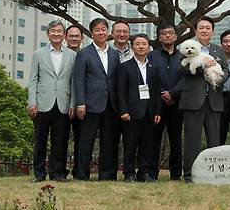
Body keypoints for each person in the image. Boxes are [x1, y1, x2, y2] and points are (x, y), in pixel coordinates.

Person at [179, 16, 230, 183]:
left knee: (215, 141)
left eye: (208, 28)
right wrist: (203, 66)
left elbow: (226, 70)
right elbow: (182, 67)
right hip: (193, 101)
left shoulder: (218, 49)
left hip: (214, 100)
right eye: (201, 27)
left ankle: (213, 175)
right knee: (191, 140)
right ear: (196, 30)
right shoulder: (188, 47)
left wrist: (219, 77)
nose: (204, 30)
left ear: (212, 31)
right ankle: (189, 175)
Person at [27, 20, 76, 182]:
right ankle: (39, 174)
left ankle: (57, 174)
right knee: (40, 141)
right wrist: (31, 102)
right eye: (53, 31)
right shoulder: (38, 54)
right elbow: (33, 80)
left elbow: (73, 82)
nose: (56, 34)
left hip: (63, 103)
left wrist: (72, 104)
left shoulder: (72, 55)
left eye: (59, 31)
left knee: (60, 142)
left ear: (64, 35)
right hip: (42, 103)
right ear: (48, 34)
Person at [73, 18, 121, 180]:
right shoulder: (83, 54)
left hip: (110, 104)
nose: (101, 32)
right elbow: (78, 80)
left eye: (103, 29)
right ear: (91, 33)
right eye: (97, 30)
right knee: (86, 142)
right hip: (90, 104)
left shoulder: (114, 54)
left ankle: (107, 175)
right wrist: (80, 103)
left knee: (109, 142)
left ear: (108, 32)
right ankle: (82, 175)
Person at [117, 34, 162, 182]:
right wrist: (123, 110)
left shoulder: (153, 68)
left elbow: (156, 91)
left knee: (147, 145)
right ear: (132, 47)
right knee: (130, 145)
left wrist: (157, 111)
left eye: (144, 44)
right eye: (138, 44)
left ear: (149, 47)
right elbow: (121, 91)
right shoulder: (125, 67)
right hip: (131, 112)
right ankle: (129, 173)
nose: (141, 46)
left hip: (149, 113)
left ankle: (144, 173)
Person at [148, 22, 184, 181]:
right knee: (153, 140)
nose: (167, 36)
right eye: (164, 33)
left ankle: (176, 174)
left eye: (170, 33)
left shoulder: (184, 56)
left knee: (176, 140)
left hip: (177, 103)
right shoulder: (152, 56)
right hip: (156, 104)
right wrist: (163, 94)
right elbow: (149, 78)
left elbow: (186, 79)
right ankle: (151, 173)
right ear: (159, 37)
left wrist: (172, 93)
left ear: (176, 36)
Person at [64, 25, 83, 179]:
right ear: (66, 37)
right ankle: (60, 171)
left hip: (81, 104)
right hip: (62, 103)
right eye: (71, 36)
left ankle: (78, 169)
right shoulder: (60, 54)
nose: (74, 39)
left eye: (77, 36)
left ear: (82, 38)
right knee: (61, 138)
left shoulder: (85, 55)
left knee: (81, 139)